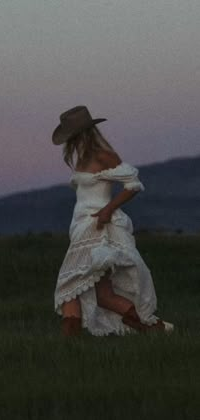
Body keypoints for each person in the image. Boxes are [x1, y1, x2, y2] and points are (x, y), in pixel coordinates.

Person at [52, 105, 174, 337]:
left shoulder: (103, 155)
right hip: (81, 227)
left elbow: (133, 184)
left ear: (83, 134)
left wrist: (109, 209)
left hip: (97, 227)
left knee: (68, 286)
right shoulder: (82, 159)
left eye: (72, 137)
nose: (69, 143)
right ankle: (152, 329)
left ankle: (69, 347)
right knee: (103, 294)